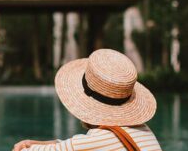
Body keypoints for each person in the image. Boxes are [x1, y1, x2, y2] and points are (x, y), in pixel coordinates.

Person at [13, 49, 161, 151]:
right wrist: (33, 143)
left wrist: (26, 146)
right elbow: (76, 146)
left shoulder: (101, 138)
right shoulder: (141, 129)